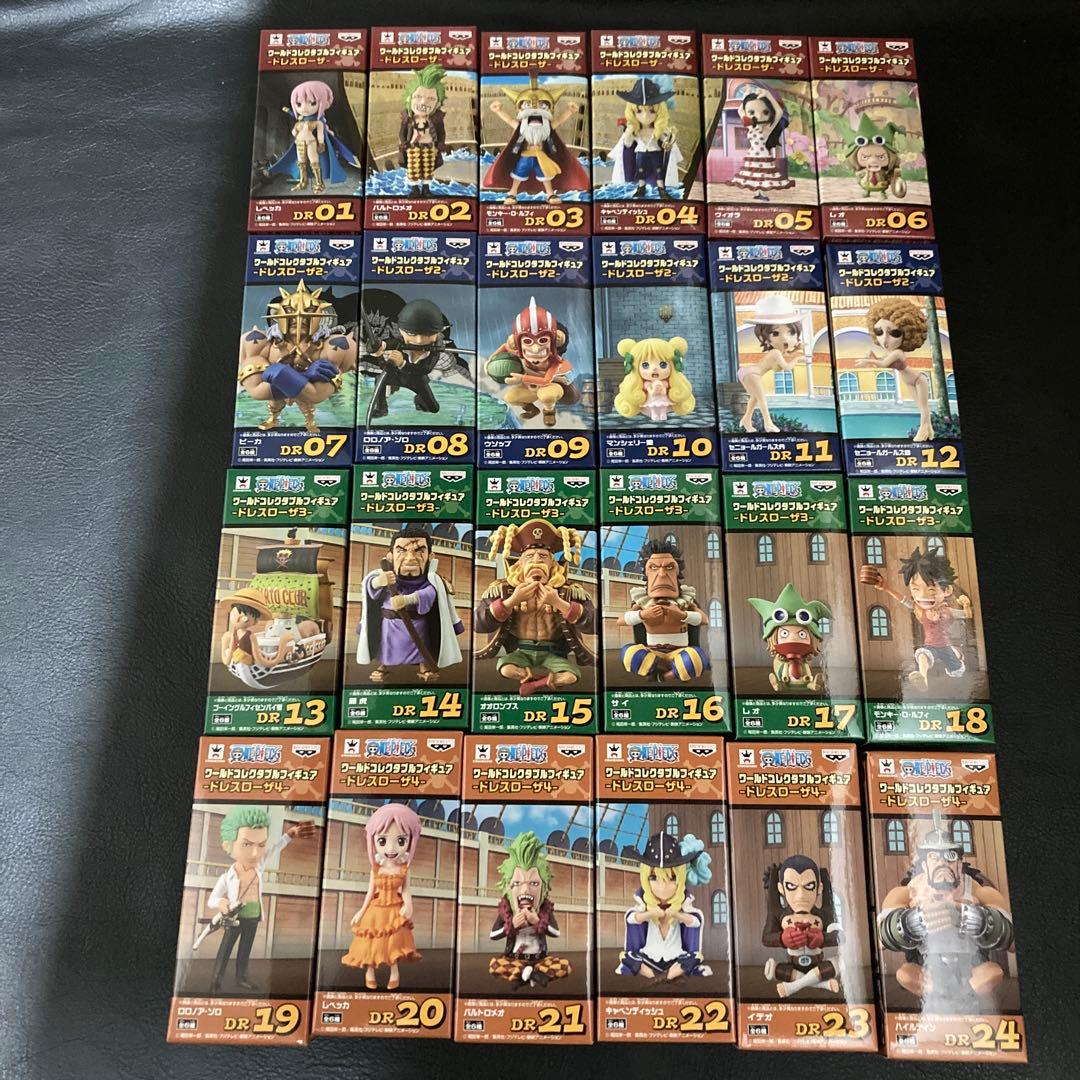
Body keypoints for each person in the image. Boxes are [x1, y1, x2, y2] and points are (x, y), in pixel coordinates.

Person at [207, 807, 316, 993]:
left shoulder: (259, 866)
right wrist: (222, 903)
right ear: (229, 845)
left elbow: (275, 848)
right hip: (234, 917)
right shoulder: (227, 877)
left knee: (245, 949)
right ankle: (216, 982)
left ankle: (241, 978)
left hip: (253, 915)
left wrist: (290, 834)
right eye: (246, 844)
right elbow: (213, 899)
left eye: (261, 845)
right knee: (225, 949)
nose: (255, 853)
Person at [342, 803, 423, 991]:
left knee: (392, 943)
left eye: (401, 841)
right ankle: (369, 972)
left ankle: (394, 972)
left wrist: (409, 904)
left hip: (394, 910)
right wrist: (361, 912)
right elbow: (370, 892)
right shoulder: (375, 869)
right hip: (375, 911)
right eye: (382, 840)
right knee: (373, 943)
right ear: (373, 840)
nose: (391, 848)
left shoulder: (404, 869)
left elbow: (406, 890)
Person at [616, 832, 712, 981]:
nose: (662, 886)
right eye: (653, 877)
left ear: (680, 879)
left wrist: (676, 914)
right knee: (627, 956)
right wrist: (650, 913)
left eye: (672, 878)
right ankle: (654, 976)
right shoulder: (645, 906)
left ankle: (668, 975)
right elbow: (632, 919)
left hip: (675, 957)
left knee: (696, 957)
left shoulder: (682, 906)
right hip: (649, 956)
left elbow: (695, 922)